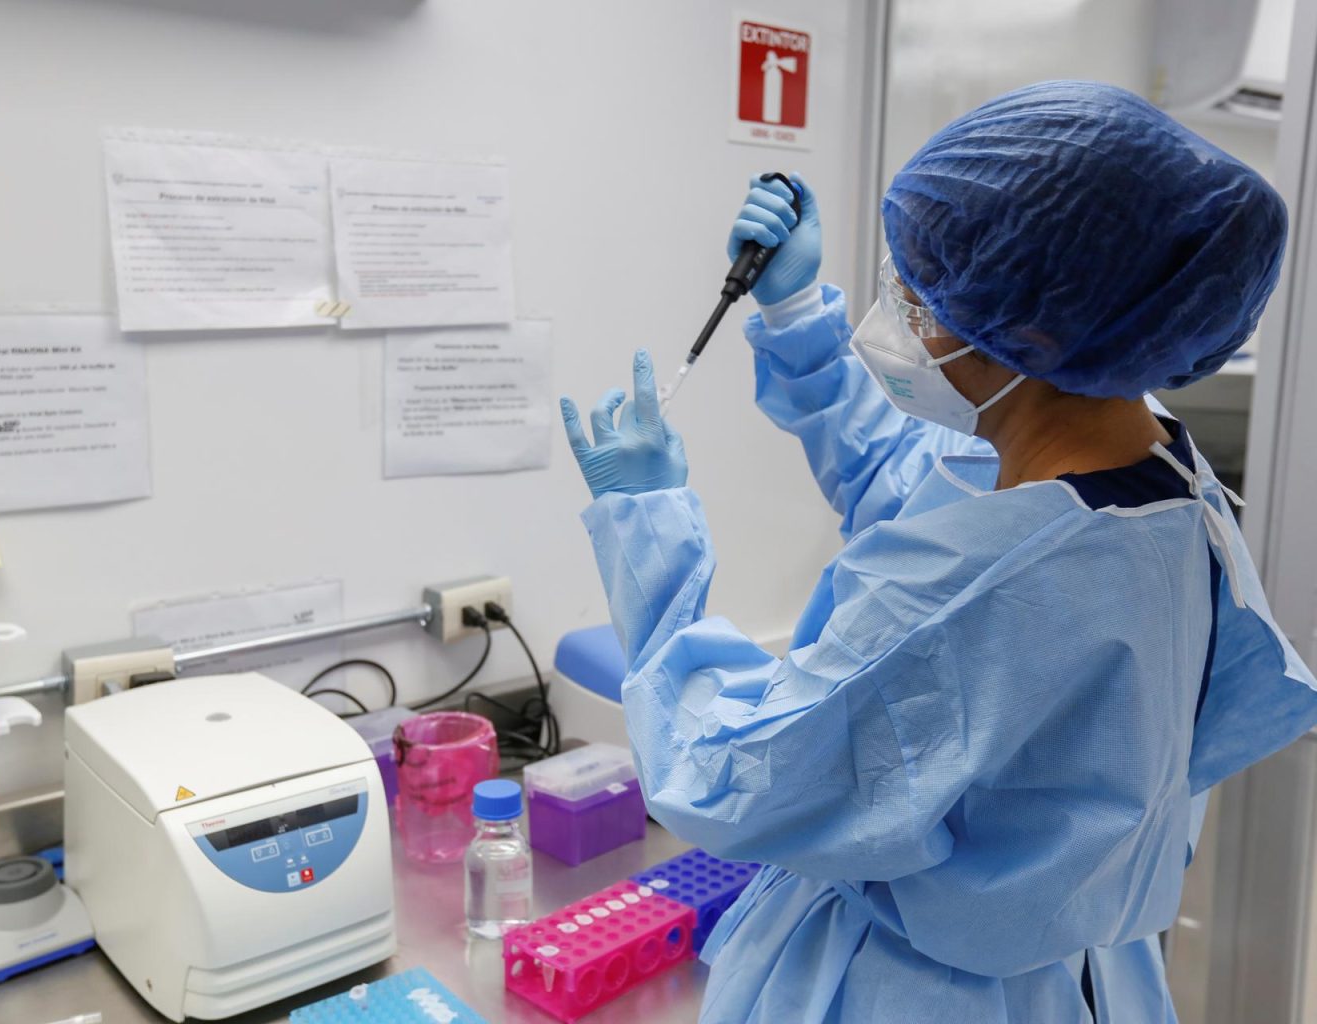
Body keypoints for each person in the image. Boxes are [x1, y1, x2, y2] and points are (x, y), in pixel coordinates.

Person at [560, 80, 1317, 1023]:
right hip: (1081, 977)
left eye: (917, 296)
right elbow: (917, 484)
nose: (905, 316)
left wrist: (646, 528)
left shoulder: (971, 592)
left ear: (1034, 330)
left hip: (911, 989)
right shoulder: (1152, 470)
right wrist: (798, 318)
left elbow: (729, 778)